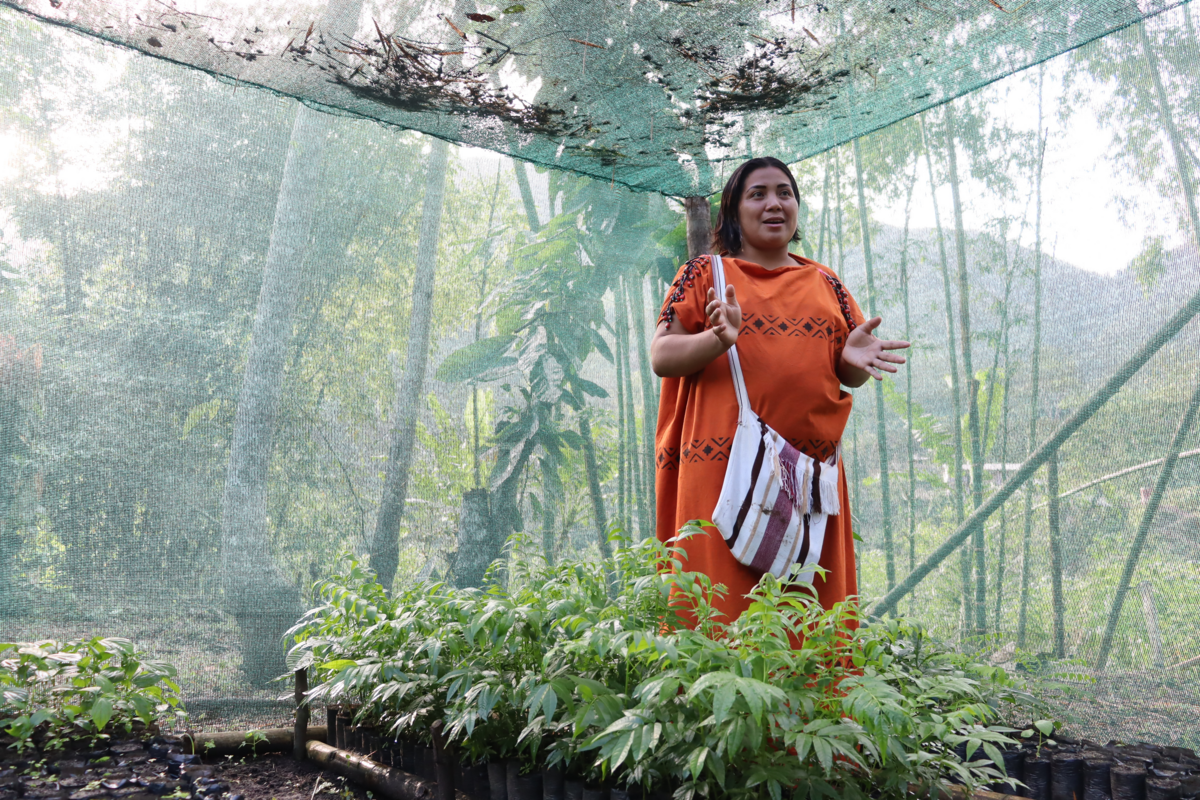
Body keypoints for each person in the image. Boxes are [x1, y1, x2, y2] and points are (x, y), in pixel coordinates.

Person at [650, 156, 909, 625]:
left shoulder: (826, 283)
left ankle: (813, 700)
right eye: (758, 193)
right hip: (723, 475)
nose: (774, 203)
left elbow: (845, 372)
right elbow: (661, 356)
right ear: (732, 213)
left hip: (806, 477)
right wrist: (716, 339)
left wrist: (852, 364)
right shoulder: (706, 275)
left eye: (784, 193)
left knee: (808, 611)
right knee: (720, 605)